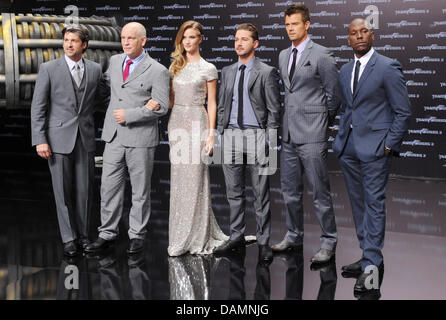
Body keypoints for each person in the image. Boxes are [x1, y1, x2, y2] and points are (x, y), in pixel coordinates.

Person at [333, 18, 411, 294]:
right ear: (348, 40)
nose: (359, 36)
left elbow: (403, 111)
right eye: (354, 32)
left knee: (374, 204)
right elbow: (346, 107)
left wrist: (389, 145)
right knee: (358, 205)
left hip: (377, 150)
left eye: (364, 31)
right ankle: (369, 254)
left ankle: (371, 265)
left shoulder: (387, 67)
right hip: (349, 149)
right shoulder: (344, 70)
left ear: (373, 36)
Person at [85, 22, 170, 255]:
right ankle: (107, 234)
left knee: (140, 192)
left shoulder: (158, 70)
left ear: (143, 41)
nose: (125, 42)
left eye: (131, 38)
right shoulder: (114, 62)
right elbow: (106, 92)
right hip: (113, 137)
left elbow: (162, 105)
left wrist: (132, 114)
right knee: (109, 188)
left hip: (141, 139)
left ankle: (136, 236)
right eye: (123, 37)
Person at [271, 4, 339, 265]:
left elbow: (334, 96)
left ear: (307, 24)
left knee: (320, 192)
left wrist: (323, 123)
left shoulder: (322, 54)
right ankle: (294, 235)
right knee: (290, 191)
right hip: (288, 134)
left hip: (313, 134)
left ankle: (328, 241)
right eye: (287, 24)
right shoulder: (282, 55)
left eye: (295, 24)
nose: (290, 29)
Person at [30, 26, 103, 256]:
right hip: (57, 138)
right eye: (66, 40)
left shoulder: (95, 69)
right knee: (62, 192)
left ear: (84, 45)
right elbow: (38, 107)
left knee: (86, 191)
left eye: (74, 41)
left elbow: (101, 100)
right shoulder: (49, 69)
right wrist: (40, 139)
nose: (69, 44)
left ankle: (83, 236)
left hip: (85, 138)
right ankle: (69, 238)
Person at [214, 23, 281, 262]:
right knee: (233, 192)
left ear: (255, 43)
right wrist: (219, 132)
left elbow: (274, 110)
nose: (238, 43)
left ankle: (263, 242)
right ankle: (236, 237)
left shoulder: (266, 71)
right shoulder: (228, 71)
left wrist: (269, 140)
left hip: (256, 137)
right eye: (236, 39)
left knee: (260, 194)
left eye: (244, 39)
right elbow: (222, 105)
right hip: (231, 136)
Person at [164, 20, 228, 256]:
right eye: (184, 37)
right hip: (176, 121)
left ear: (200, 39)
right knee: (180, 181)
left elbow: (212, 103)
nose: (187, 42)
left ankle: (195, 237)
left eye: (192, 37)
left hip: (197, 123)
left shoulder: (208, 68)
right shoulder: (174, 67)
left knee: (195, 180)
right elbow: (170, 100)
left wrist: (211, 134)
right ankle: (180, 235)